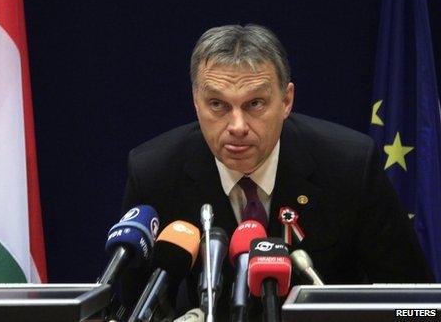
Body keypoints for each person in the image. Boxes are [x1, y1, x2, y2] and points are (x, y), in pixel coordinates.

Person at [120, 24, 433, 318]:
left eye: (255, 104)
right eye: (217, 105)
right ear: (195, 102)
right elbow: (135, 307)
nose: (237, 126)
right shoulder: (156, 172)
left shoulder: (348, 165)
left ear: (286, 100)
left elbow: (413, 302)